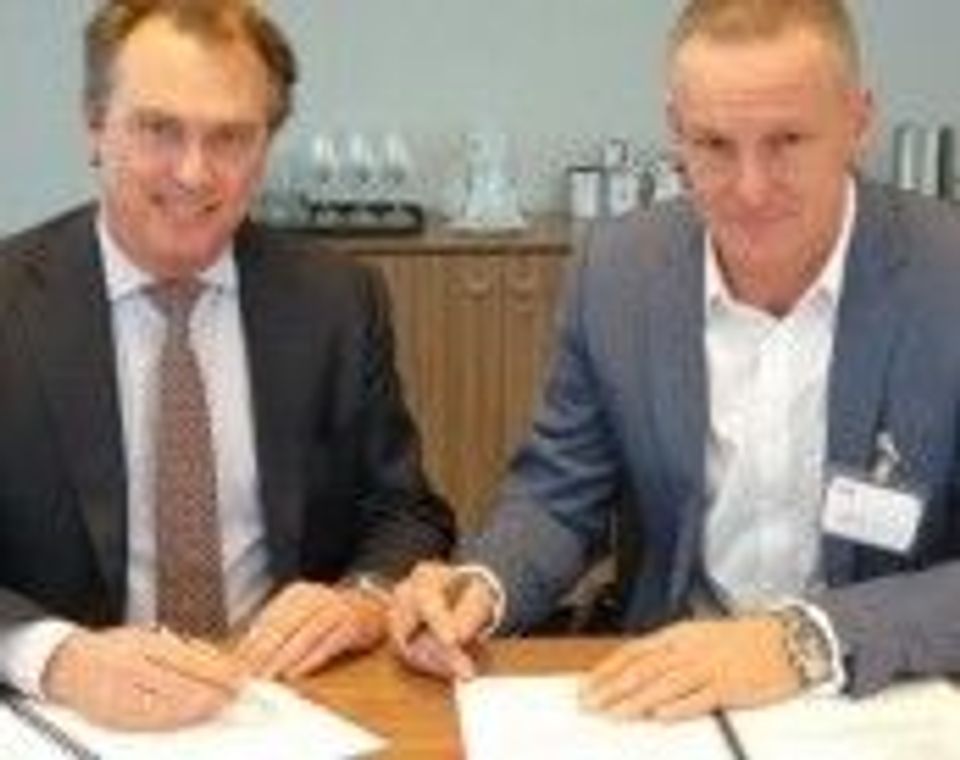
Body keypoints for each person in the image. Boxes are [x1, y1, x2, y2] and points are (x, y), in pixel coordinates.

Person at [391, 0, 960, 721]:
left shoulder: (945, 274)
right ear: (675, 131)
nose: (750, 189)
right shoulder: (620, 270)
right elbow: (559, 496)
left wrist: (803, 641)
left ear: (858, 120)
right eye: (714, 144)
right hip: (670, 690)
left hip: (884, 689)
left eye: (786, 140)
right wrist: (484, 583)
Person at [0, 0, 454, 731]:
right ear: (94, 126)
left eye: (231, 137)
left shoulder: (337, 299)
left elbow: (406, 514)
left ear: (266, 146)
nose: (193, 172)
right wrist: (54, 656)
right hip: (70, 722)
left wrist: (361, 600)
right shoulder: (10, 302)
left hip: (284, 710)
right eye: (158, 129)